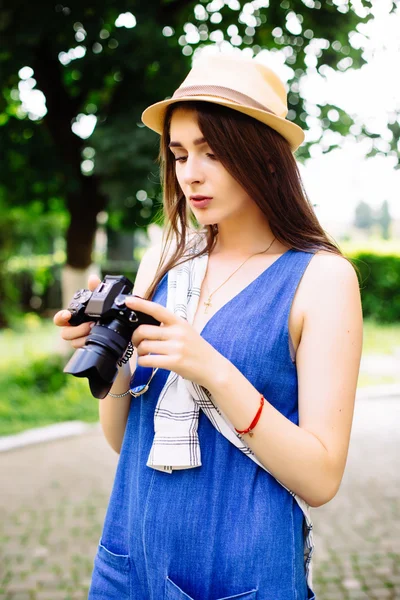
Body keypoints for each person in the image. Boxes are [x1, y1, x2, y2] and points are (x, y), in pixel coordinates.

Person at [54, 53, 363, 599]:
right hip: (130, 559)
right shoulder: (165, 263)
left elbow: (321, 479)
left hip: (242, 569)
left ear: (267, 160)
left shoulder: (322, 279)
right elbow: (124, 439)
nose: (190, 173)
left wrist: (214, 370)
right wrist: (109, 358)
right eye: (179, 154)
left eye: (213, 153)